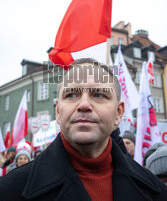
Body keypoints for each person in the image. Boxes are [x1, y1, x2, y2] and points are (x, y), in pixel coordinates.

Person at [0, 58, 167, 201]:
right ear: (58, 111)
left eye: (99, 95)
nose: (84, 105)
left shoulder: (155, 191)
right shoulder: (10, 191)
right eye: (71, 95)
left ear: (118, 113)